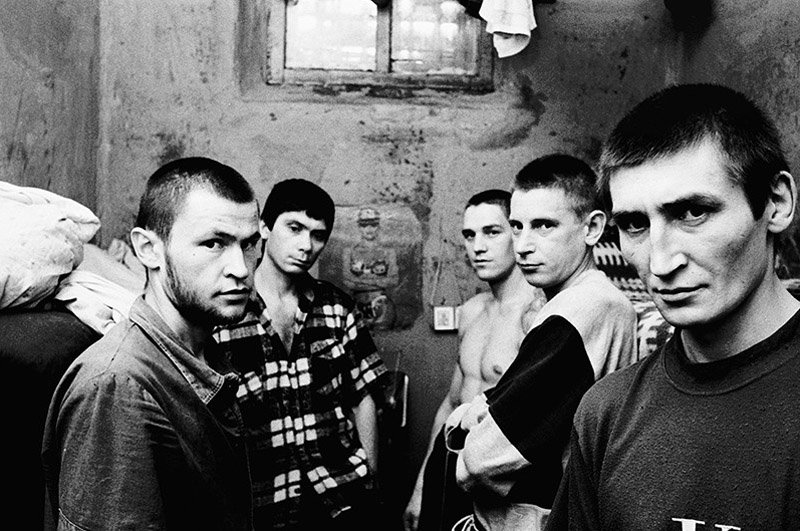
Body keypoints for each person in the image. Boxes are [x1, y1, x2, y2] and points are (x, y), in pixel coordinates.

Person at [545, 83, 800, 530]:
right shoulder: (606, 414)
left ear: (775, 203)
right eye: (634, 224)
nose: (660, 262)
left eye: (692, 213)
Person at [41, 157, 261, 530]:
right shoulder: (117, 386)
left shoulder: (202, 350)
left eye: (250, 244)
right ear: (147, 249)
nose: (240, 268)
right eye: (214, 243)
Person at [447, 154, 638, 530]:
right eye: (517, 227)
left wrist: (473, 427)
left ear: (592, 228)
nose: (523, 246)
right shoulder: (585, 302)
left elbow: (482, 458)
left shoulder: (578, 311)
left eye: (544, 226)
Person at [214, 178, 388, 530]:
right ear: (264, 228)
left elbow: (363, 397)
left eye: (318, 235)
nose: (306, 245)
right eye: (294, 228)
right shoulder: (225, 311)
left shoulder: (336, 307)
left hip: (343, 495)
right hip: (263, 504)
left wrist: (368, 473)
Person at [403, 190, 543, 531]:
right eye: (469, 235)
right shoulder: (471, 312)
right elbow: (451, 404)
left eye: (491, 232)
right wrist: (422, 486)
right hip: (450, 468)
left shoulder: (538, 316)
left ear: (517, 233)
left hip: (501, 485)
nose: (477, 246)